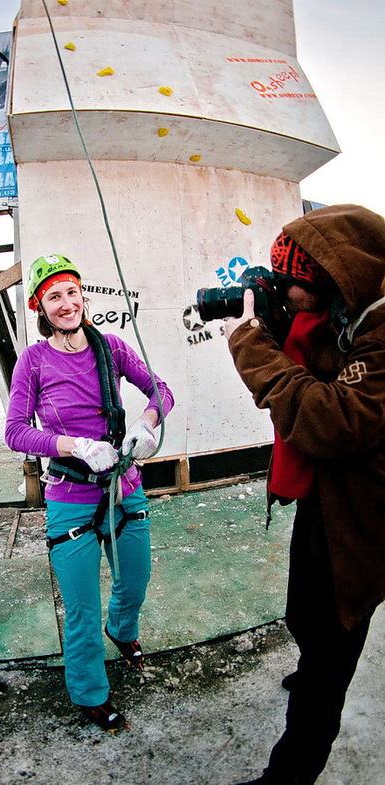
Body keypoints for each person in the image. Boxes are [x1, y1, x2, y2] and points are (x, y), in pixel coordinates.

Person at [222, 204, 385, 785]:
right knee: (302, 610)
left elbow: (333, 420)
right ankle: (315, 655)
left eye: (292, 283)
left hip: (365, 524)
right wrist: (275, 319)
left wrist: (251, 346)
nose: (286, 292)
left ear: (334, 281)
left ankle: (287, 776)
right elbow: (321, 369)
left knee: (327, 663)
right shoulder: (349, 312)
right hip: (328, 497)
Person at [5, 254, 174, 731]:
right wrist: (72, 444)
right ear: (41, 305)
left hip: (124, 489)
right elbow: (15, 432)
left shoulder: (112, 349)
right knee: (80, 607)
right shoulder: (33, 362)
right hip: (69, 498)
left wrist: (147, 422)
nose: (66, 303)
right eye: (54, 296)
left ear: (83, 296)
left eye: (72, 292)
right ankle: (89, 692)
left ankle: (122, 631)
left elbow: (160, 390)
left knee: (134, 582)